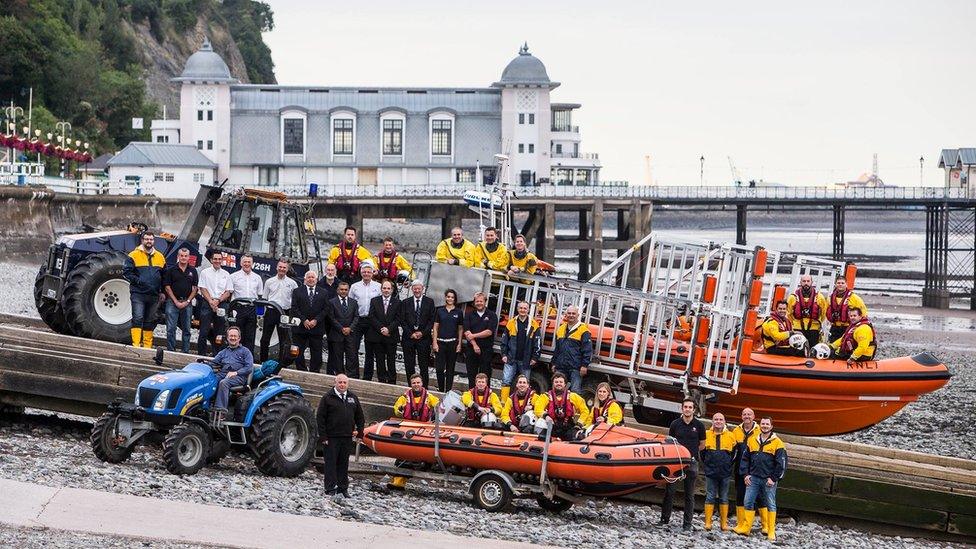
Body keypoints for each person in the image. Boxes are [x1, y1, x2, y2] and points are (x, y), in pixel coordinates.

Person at [735, 417, 787, 541]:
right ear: (760, 425)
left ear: (771, 426)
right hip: (753, 478)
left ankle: (771, 531)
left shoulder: (778, 443)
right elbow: (745, 459)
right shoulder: (753, 440)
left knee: (770, 504)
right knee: (748, 501)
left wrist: (774, 479)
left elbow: (782, 464)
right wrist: (745, 474)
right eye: (763, 424)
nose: (764, 426)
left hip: (768, 480)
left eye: (767, 424)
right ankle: (746, 528)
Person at [659, 398, 705, 531]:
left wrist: (690, 453)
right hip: (675, 462)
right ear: (682, 408)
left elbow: (702, 445)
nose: (688, 409)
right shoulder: (675, 424)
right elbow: (670, 442)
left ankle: (687, 524)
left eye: (690, 407)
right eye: (685, 407)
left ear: (694, 410)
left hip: (691, 462)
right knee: (670, 491)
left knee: (689, 494)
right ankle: (664, 519)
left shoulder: (699, 425)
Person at [316, 374, 365, 497]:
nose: (342, 385)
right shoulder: (327, 398)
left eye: (344, 382)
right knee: (331, 463)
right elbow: (320, 418)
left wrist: (360, 433)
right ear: (335, 383)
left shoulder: (353, 397)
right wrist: (323, 436)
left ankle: (343, 488)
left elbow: (360, 416)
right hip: (331, 437)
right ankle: (330, 488)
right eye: (340, 382)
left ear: (348, 384)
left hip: (347, 436)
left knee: (343, 463)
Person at [123, 231, 166, 348]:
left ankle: (147, 346)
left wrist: (162, 291)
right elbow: (127, 273)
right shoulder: (133, 255)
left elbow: (164, 276)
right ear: (142, 240)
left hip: (154, 295)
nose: (149, 241)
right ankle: (136, 344)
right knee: (138, 318)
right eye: (146, 239)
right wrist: (139, 281)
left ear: (154, 241)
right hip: (138, 294)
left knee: (150, 321)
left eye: (151, 239)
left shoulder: (160, 257)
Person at [210, 326, 254, 423]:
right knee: (209, 380)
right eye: (231, 336)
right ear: (227, 338)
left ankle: (220, 412)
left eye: (235, 336)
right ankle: (206, 406)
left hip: (238, 377)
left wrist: (236, 372)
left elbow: (249, 367)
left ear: (239, 338)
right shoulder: (223, 352)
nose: (233, 338)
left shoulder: (245, 352)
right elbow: (213, 363)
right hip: (223, 374)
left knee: (223, 383)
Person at [499, 301, 540, 404]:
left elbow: (538, 343)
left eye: (525, 308)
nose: (523, 310)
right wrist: (504, 354)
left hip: (526, 361)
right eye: (521, 308)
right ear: (517, 309)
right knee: (506, 381)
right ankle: (504, 403)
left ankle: (523, 405)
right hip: (511, 358)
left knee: (525, 384)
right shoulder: (511, 322)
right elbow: (504, 340)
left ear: (528, 310)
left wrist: (535, 357)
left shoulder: (534, 324)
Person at [702, 412, 737, 532]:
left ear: (724, 421)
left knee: (724, 497)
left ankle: (724, 524)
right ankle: (708, 523)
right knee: (710, 496)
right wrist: (707, 464)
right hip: (710, 471)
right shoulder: (706, 435)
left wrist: (727, 464)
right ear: (712, 421)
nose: (718, 421)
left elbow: (734, 454)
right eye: (716, 419)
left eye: (720, 419)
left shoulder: (731, 436)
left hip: (725, 472)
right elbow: (702, 453)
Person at [732, 408, 764, 534]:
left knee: (759, 497)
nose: (747, 416)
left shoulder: (759, 431)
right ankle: (741, 524)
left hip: (755, 470)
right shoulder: (736, 430)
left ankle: (765, 525)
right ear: (741, 416)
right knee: (740, 495)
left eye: (749, 414)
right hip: (739, 469)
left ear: (754, 416)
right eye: (744, 414)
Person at [533, 372, 591, 440]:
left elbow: (585, 411)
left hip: (568, 427)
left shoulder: (573, 396)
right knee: (540, 423)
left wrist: (579, 424)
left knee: (578, 437)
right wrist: (546, 416)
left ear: (565, 384)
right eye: (556, 382)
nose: (558, 384)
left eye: (561, 382)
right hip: (551, 426)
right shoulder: (545, 396)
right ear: (553, 384)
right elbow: (537, 409)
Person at [290, 270, 329, 373]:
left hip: (316, 327)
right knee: (298, 351)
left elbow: (326, 309)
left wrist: (316, 320)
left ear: (316, 280)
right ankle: (301, 369)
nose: (311, 279)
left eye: (313, 277)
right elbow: (294, 308)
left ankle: (314, 371)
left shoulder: (323, 292)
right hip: (301, 327)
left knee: (316, 351)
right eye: (309, 277)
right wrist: (304, 320)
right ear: (305, 279)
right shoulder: (297, 291)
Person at [260, 259, 298, 362]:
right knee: (265, 338)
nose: (282, 269)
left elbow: (295, 300)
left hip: (284, 313)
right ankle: (263, 361)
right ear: (277, 267)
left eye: (284, 267)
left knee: (283, 340)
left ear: (287, 269)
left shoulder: (293, 283)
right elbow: (265, 297)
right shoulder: (269, 282)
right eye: (280, 267)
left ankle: (280, 362)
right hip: (271, 311)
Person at [399, 280, 435, 388]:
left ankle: (424, 387)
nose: (417, 290)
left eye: (419, 288)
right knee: (409, 363)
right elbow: (402, 320)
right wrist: (411, 333)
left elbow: (431, 320)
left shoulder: (429, 302)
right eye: (415, 288)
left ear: (423, 289)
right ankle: (412, 385)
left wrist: (422, 333)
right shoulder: (405, 302)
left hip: (423, 338)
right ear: (412, 289)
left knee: (423, 364)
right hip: (409, 338)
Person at [349, 262, 382, 381]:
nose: (366, 274)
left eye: (369, 272)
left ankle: (367, 377)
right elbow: (350, 304)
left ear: (372, 273)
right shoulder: (354, 286)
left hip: (372, 321)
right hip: (358, 320)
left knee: (370, 350)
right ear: (361, 273)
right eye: (364, 272)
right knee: (353, 348)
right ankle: (354, 375)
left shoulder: (378, 287)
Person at [162, 248, 198, 353]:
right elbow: (167, 287)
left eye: (186, 256)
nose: (183, 258)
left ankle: (185, 351)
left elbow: (195, 288)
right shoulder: (171, 270)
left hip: (187, 302)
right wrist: (176, 301)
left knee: (186, 329)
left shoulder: (193, 271)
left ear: (188, 257)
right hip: (172, 302)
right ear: (178, 256)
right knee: (171, 328)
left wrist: (187, 301)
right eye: (181, 255)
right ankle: (171, 350)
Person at [197, 250, 232, 356]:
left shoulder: (226, 274)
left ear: (222, 261)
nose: (217, 261)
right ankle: (201, 355)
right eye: (215, 259)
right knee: (203, 331)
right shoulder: (205, 272)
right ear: (211, 260)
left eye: (219, 259)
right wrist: (211, 302)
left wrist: (218, 301)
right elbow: (202, 288)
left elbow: (229, 291)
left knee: (219, 333)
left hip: (221, 304)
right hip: (207, 303)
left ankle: (217, 355)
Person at [551, 305, 593, 393]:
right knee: (557, 390)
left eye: (573, 313)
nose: (571, 315)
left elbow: (587, 350)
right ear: (566, 314)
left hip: (575, 367)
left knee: (575, 391)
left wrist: (584, 365)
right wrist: (554, 363)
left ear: (578, 315)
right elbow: (557, 348)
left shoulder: (583, 330)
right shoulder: (561, 329)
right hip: (561, 366)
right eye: (569, 313)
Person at [367, 280, 401, 384]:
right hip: (377, 335)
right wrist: (381, 329)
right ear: (381, 289)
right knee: (379, 359)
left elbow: (398, 318)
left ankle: (391, 380)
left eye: (388, 288)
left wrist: (388, 329)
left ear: (392, 290)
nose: (386, 290)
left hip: (391, 335)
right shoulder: (374, 301)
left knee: (391, 360)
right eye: (384, 288)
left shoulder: (398, 302)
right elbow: (371, 316)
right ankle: (381, 379)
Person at [463, 292, 499, 387]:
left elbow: (489, 332)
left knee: (485, 376)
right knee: (471, 375)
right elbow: (467, 332)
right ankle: (471, 396)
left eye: (481, 301)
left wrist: (473, 335)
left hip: (486, 350)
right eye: (477, 301)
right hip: (471, 349)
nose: (479, 303)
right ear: (474, 302)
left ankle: (485, 399)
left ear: (485, 302)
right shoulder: (469, 314)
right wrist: (474, 345)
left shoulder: (492, 315)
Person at [228, 254, 263, 353]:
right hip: (238, 309)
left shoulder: (258, 278)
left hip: (251, 309)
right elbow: (229, 293)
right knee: (237, 334)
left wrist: (259, 313)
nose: (247, 264)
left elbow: (260, 295)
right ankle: (235, 356)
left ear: (252, 264)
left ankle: (248, 358)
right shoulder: (233, 276)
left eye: (249, 262)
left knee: (250, 336)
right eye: (245, 262)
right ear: (241, 263)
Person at [433, 289, 464, 391]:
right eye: (448, 296)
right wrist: (434, 342)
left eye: (452, 297)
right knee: (439, 368)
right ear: (445, 297)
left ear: (455, 299)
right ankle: (441, 389)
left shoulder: (459, 312)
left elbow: (460, 329)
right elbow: (436, 327)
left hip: (452, 344)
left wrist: (459, 344)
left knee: (450, 369)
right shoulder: (440, 311)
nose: (450, 299)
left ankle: (448, 390)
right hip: (440, 343)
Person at [327, 282, 359, 377]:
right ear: (338, 290)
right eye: (341, 289)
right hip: (337, 334)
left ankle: (351, 376)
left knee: (351, 356)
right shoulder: (332, 302)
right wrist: (341, 328)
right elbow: (331, 318)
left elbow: (356, 317)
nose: (343, 291)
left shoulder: (354, 302)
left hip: (350, 334)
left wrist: (350, 328)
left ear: (348, 291)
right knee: (337, 357)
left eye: (345, 290)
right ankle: (339, 376)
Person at [787, 274, 828, 348]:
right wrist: (795, 323)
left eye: (808, 281)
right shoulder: (793, 297)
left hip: (814, 328)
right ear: (800, 282)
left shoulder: (819, 297)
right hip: (798, 328)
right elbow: (789, 313)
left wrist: (818, 322)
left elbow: (823, 313)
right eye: (804, 281)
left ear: (812, 282)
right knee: (798, 350)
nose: (806, 283)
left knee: (813, 348)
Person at [825, 275, 868, 342]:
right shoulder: (830, 298)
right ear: (835, 284)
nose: (840, 285)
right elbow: (825, 311)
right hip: (835, 327)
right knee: (833, 347)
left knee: (846, 348)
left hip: (848, 327)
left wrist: (860, 326)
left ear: (846, 284)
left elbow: (863, 312)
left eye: (842, 283)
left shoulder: (854, 298)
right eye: (838, 283)